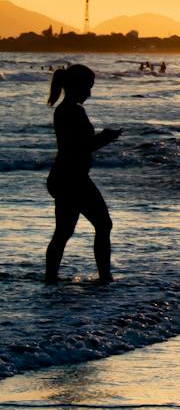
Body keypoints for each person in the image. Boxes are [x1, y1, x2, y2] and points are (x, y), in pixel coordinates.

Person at [44, 64, 120, 284]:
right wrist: (105, 138)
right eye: (88, 87)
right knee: (102, 225)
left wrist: (103, 138)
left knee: (64, 231)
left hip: (66, 176)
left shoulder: (66, 109)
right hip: (72, 178)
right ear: (77, 87)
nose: (89, 93)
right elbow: (77, 147)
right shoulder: (71, 111)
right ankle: (105, 277)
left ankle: (50, 278)